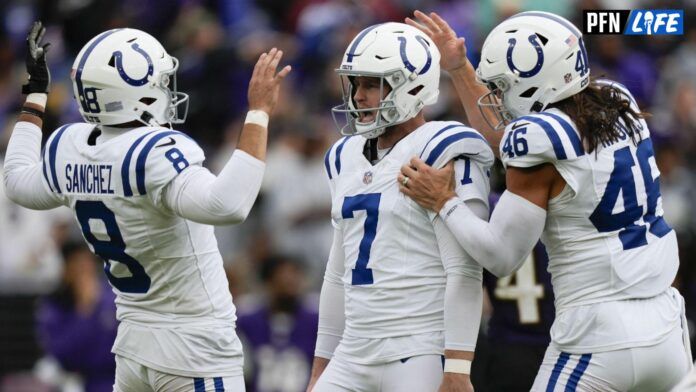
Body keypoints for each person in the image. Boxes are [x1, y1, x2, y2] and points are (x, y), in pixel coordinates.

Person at [400, 10, 692, 391]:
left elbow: (501, 255)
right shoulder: (615, 101)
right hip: (668, 325)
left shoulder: (537, 138)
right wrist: (460, 68)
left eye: (503, 85)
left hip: (598, 334)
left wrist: (444, 202)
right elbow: (510, 139)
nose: (497, 97)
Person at [3, 21, 290, 391]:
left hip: (133, 346)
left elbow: (16, 181)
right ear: (133, 90)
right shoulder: (153, 152)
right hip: (193, 348)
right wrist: (259, 113)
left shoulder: (69, 147)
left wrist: (35, 96)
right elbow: (228, 205)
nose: (166, 89)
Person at [306, 22, 494, 392]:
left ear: (413, 85)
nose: (358, 96)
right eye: (356, 83)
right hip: (353, 349)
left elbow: (463, 269)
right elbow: (336, 273)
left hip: (418, 347)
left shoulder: (443, 145)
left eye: (372, 84)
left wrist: (458, 365)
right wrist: (320, 366)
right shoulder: (343, 156)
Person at [472, 195, 555, 392]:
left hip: (506, 348)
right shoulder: (561, 205)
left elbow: (469, 289)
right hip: (560, 346)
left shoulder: (488, 208)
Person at [36, 241, 118, 392]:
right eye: (78, 265)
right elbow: (61, 353)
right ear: (66, 269)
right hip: (77, 381)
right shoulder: (55, 305)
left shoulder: (110, 297)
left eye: (88, 263)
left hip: (113, 379)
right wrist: (85, 311)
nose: (85, 271)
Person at [236, 254, 318, 392]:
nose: (291, 284)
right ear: (268, 282)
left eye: (294, 279)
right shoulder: (247, 321)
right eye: (284, 280)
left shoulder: (316, 321)